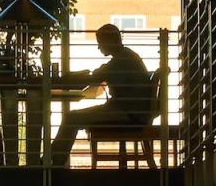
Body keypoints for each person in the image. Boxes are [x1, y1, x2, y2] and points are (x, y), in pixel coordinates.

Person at [48, 23, 155, 167]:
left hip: (127, 114)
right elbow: (102, 74)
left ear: (109, 41)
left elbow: (96, 77)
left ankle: (53, 163)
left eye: (100, 43)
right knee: (72, 117)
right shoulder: (127, 56)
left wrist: (71, 77)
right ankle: (53, 160)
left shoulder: (120, 61)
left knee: (72, 117)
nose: (99, 47)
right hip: (132, 112)